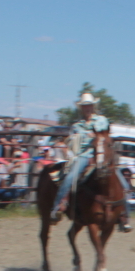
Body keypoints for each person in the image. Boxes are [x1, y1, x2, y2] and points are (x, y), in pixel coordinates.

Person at [52, 92, 111, 223]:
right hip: (83, 155)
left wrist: (95, 137)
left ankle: (123, 212)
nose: (87, 108)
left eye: (89, 105)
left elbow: (106, 137)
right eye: (84, 106)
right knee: (70, 177)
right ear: (81, 108)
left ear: (93, 106)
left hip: (101, 154)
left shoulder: (102, 121)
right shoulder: (77, 126)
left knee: (118, 177)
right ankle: (57, 206)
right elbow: (71, 142)